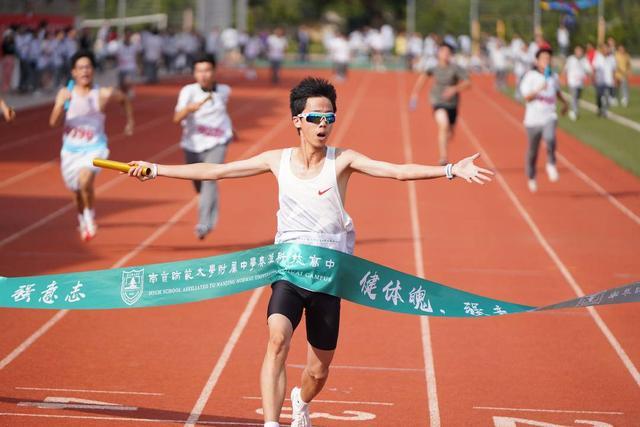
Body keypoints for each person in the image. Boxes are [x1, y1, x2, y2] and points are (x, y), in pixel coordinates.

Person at [127, 76, 493, 427]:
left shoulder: (342, 160)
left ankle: (301, 400)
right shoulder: (277, 160)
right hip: (288, 272)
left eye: (329, 118)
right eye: (315, 118)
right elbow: (217, 170)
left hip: (328, 280)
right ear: (297, 121)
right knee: (276, 339)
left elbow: (396, 171)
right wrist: (156, 169)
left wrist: (449, 169)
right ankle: (272, 422)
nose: (323, 125)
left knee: (318, 371)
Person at [49, 51, 134, 241]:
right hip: (70, 151)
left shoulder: (101, 93)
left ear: (93, 70)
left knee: (85, 179)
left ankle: (89, 217)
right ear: (73, 72)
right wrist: (59, 105)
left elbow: (124, 99)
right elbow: (53, 123)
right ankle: (82, 217)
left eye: (88, 67)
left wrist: (129, 121)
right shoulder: (66, 94)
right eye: (80, 68)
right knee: (78, 191)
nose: (85, 71)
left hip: (95, 147)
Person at [173, 54, 234, 240]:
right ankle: (208, 207)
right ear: (194, 73)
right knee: (199, 184)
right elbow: (176, 119)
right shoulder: (188, 91)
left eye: (207, 70)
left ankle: (204, 223)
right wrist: (188, 109)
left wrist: (230, 130)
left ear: (214, 71)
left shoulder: (224, 90)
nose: (204, 75)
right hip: (192, 144)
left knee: (209, 178)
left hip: (218, 142)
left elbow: (222, 112)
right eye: (199, 71)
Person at [409, 42, 470, 165]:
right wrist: (414, 94)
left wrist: (454, 89)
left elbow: (468, 83)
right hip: (438, 101)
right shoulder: (433, 68)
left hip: (452, 104)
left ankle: (447, 137)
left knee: (450, 131)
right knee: (443, 125)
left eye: (448, 53)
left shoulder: (455, 69)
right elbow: (423, 78)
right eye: (443, 52)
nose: (445, 55)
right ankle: (443, 157)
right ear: (438, 53)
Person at [519, 47, 568, 193]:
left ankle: (551, 163)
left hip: (549, 116)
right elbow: (527, 97)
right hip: (533, 121)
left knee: (550, 138)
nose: (546, 61)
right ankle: (531, 177)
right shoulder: (530, 76)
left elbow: (557, 91)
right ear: (537, 61)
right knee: (532, 152)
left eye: (548, 58)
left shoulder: (553, 76)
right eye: (544, 58)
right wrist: (540, 88)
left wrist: (565, 103)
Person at [563, 45, 591, 121]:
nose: (579, 52)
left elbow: (589, 70)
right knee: (574, 97)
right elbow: (565, 69)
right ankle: (575, 112)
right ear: (575, 51)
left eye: (580, 51)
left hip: (580, 83)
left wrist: (587, 76)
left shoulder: (584, 60)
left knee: (577, 98)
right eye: (577, 51)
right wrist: (565, 79)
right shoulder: (570, 59)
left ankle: (573, 110)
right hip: (572, 82)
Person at [592, 43, 617, 117]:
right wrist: (593, 78)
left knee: (607, 97)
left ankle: (605, 111)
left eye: (607, 48)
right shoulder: (598, 57)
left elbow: (614, 70)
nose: (606, 50)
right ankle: (599, 108)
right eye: (604, 48)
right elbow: (594, 68)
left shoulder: (612, 58)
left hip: (609, 81)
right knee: (599, 97)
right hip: (600, 81)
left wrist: (614, 79)